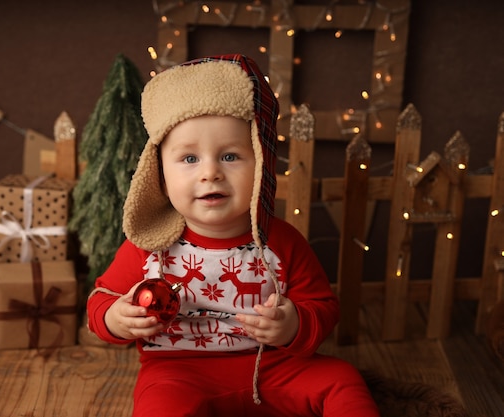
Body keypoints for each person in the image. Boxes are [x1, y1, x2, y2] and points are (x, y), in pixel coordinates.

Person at [87, 54, 380, 417]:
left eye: (230, 156)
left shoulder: (281, 242)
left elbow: (323, 306)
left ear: (261, 164)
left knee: (341, 378)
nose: (210, 173)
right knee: (159, 408)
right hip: (177, 372)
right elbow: (101, 299)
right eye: (190, 159)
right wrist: (116, 317)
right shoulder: (149, 244)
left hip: (272, 365)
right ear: (160, 176)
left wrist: (293, 325)